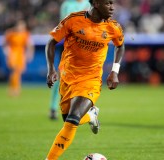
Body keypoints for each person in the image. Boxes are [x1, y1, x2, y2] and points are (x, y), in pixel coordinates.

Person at [45, 0, 125, 159]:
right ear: (96, 3)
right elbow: (51, 43)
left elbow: (120, 45)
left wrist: (115, 71)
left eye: (112, 3)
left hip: (91, 79)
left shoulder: (113, 27)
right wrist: (51, 69)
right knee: (68, 119)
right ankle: (91, 115)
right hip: (68, 78)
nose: (112, 7)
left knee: (72, 121)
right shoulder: (73, 20)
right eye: (108, 3)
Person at [49, 0, 91, 120]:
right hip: (69, 44)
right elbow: (64, 22)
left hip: (85, 44)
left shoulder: (90, 3)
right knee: (61, 75)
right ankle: (53, 107)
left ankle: (84, 106)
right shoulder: (67, 4)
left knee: (85, 76)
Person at [3, 20, 34, 97]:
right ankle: (15, 89)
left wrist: (29, 54)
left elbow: (30, 45)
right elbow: (5, 42)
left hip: (21, 54)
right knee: (15, 71)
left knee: (18, 72)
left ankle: (13, 88)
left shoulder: (26, 34)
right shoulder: (11, 33)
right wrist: (6, 51)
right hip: (13, 54)